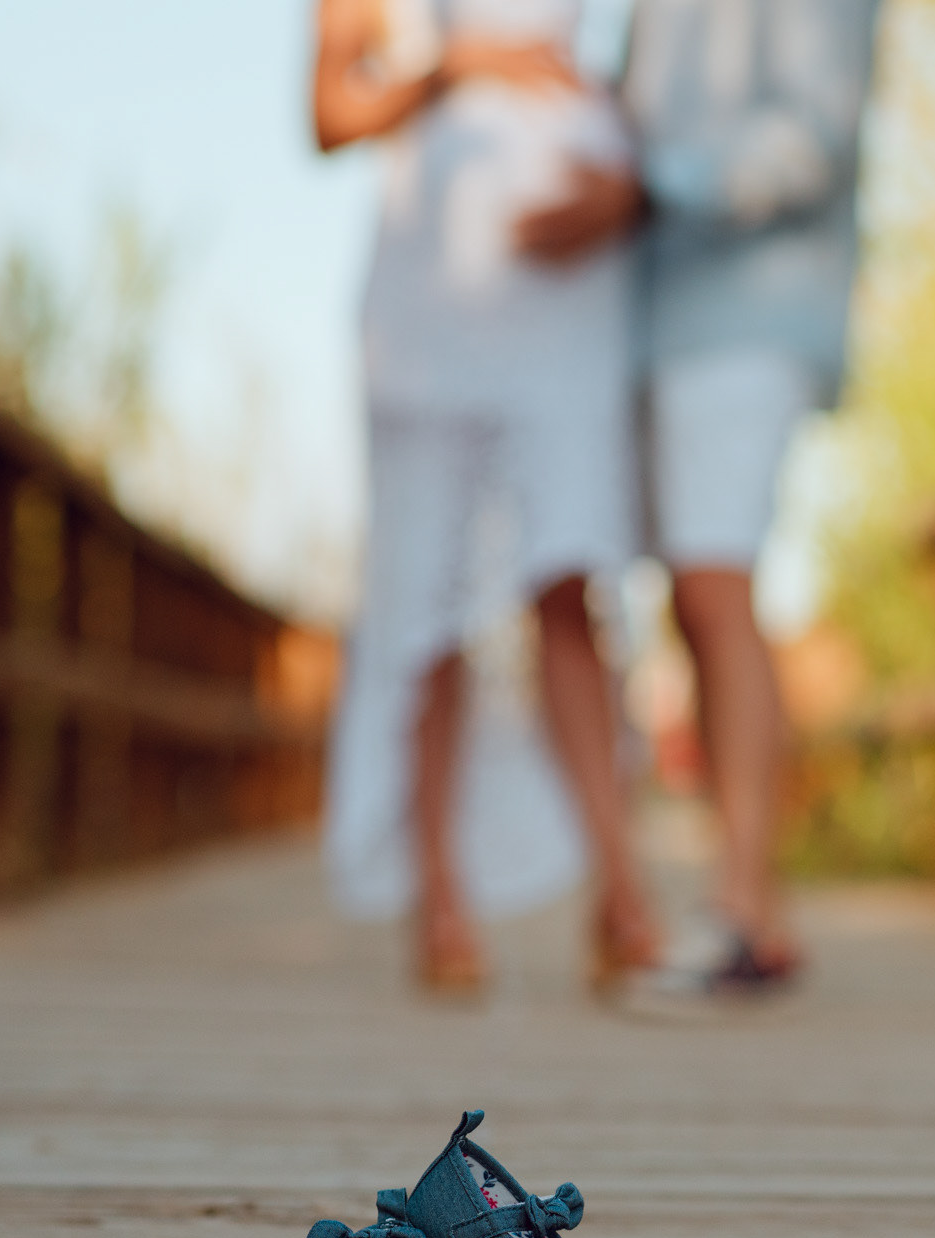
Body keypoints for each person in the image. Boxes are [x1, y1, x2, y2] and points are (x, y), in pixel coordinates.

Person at [531, 0, 883, 994]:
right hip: (648, 318)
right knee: (686, 599)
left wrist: (649, 189)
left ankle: (745, 915)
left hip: (752, 309)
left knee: (714, 586)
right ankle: (752, 903)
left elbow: (814, 136)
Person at [314, 0, 660, 996]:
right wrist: (458, 61)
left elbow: (634, 85)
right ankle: (441, 897)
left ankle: (621, 891)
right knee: (428, 597)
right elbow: (332, 114)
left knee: (571, 577)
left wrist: (629, 193)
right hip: (433, 308)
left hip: (567, 299)